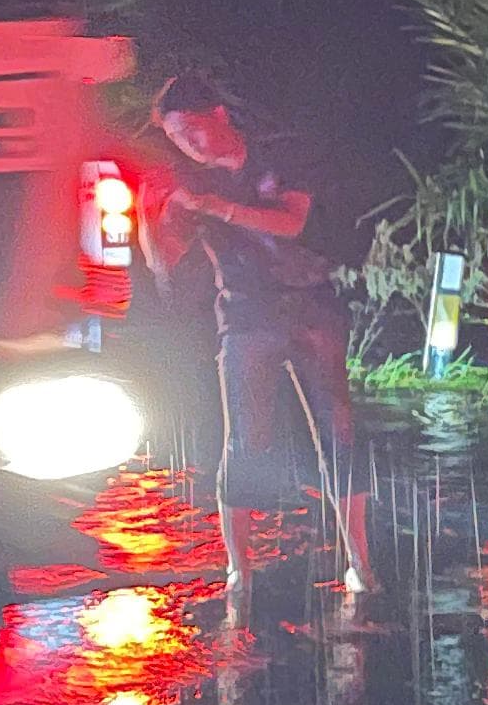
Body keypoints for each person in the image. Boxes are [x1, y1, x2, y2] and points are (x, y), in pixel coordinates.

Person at [146, 71, 375, 600]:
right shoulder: (187, 180)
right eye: (177, 138)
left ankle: (360, 562)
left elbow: (292, 223)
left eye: (193, 131)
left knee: (337, 431)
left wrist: (217, 208)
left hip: (311, 301)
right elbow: (166, 264)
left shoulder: (279, 158)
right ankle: (239, 571)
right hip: (245, 314)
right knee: (246, 439)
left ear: (219, 116)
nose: (188, 145)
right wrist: (152, 218)